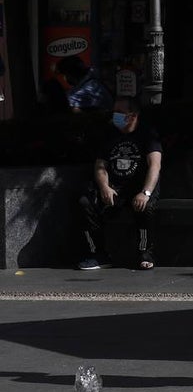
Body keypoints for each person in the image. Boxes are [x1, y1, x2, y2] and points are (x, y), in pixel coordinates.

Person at [77, 97, 161, 270]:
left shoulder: (147, 134)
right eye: (114, 112)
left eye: (120, 113)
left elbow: (155, 165)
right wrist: (104, 187)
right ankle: (98, 254)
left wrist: (145, 193)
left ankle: (145, 252)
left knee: (146, 208)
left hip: (138, 188)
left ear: (133, 116)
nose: (115, 116)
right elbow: (100, 165)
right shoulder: (109, 134)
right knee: (86, 203)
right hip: (115, 188)